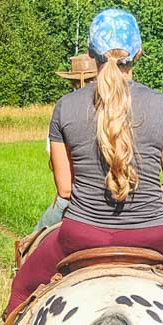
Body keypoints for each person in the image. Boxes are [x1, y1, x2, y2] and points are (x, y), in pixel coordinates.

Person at [5, 8, 163, 318]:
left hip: (79, 236)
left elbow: (65, 190)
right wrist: (140, 208)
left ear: (91, 53)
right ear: (139, 52)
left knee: (22, 289)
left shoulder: (65, 108)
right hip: (153, 236)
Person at [32, 52, 97, 233]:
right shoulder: (121, 104)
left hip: (75, 198)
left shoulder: (64, 109)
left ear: (73, 82)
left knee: (31, 246)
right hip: (121, 199)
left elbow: (65, 189)